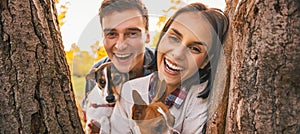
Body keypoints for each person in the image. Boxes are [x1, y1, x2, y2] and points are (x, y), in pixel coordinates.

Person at [110, 2, 229, 133]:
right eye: (174, 37)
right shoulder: (130, 90)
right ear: (162, 37)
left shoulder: (198, 99)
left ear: (206, 61)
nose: (177, 54)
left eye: (194, 48)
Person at [81, 0, 154, 132]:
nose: (120, 45)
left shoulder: (165, 68)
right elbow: (89, 116)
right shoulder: (98, 72)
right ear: (103, 37)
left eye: (132, 33)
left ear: (147, 36)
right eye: (112, 34)